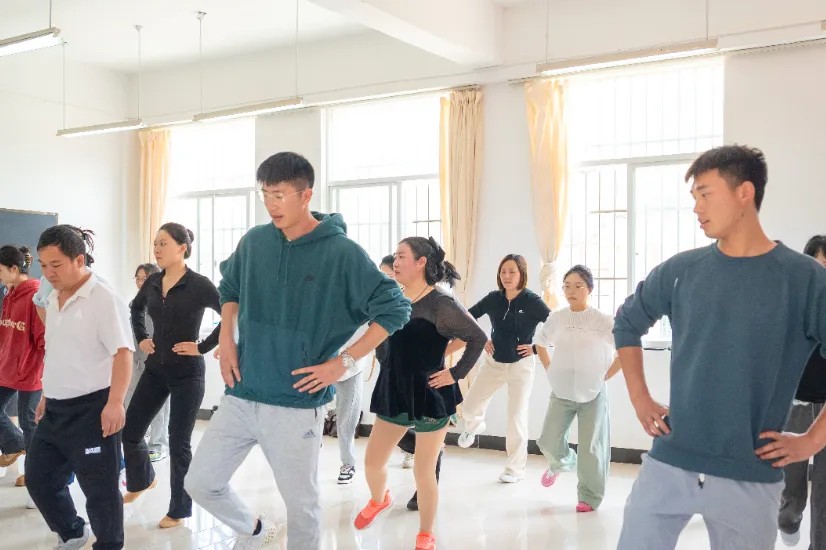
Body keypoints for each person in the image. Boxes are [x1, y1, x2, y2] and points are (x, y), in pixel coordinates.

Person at [183, 152, 411, 550]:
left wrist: (344, 362)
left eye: (280, 195)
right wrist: (227, 339)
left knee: (301, 507)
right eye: (265, 195)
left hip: (296, 403)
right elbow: (230, 288)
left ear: (306, 195)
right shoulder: (255, 242)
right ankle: (255, 530)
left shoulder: (341, 253)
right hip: (242, 392)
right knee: (200, 482)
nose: (271, 205)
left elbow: (396, 309)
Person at [614, 145, 826, 550]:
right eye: (694, 197)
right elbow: (627, 323)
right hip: (670, 461)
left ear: (744, 193)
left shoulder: (803, 280)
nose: (696, 207)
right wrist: (640, 398)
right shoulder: (681, 270)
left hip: (750, 473)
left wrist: (812, 440)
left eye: (705, 194)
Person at [354, 236, 486, 550]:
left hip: (430, 394)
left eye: (401, 256)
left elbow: (477, 337)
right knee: (372, 462)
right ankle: (380, 499)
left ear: (421, 262)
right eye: (395, 256)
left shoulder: (441, 303)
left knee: (423, 471)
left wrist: (454, 373)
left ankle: (426, 533)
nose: (395, 262)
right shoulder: (392, 299)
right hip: (394, 390)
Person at [26, 226, 133, 550]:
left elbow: (123, 353)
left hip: (92, 409)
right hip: (55, 409)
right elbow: (58, 351)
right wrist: (47, 394)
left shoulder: (104, 299)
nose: (48, 273)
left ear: (79, 260)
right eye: (44, 265)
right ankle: (72, 531)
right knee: (39, 479)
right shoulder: (53, 297)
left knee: (99, 491)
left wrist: (116, 402)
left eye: (56, 265)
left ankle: (109, 544)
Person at [122, 224, 220, 530]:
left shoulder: (199, 284)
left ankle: (178, 509)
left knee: (179, 444)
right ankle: (142, 479)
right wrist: (142, 337)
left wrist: (202, 347)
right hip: (155, 370)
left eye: (163, 243)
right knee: (130, 431)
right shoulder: (153, 281)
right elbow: (136, 309)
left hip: (187, 374)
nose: (157, 249)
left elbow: (232, 313)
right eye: (155, 243)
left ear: (182, 248)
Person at [533, 264, 621, 512]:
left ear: (589, 289)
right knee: (548, 440)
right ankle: (562, 462)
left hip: (593, 393)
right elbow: (540, 342)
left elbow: (625, 349)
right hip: (561, 391)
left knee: (591, 447)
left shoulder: (602, 320)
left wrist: (606, 376)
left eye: (578, 286)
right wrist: (550, 368)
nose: (571, 291)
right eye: (567, 286)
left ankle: (589, 497)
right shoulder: (557, 318)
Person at [456, 254, 550, 483]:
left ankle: (515, 470)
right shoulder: (494, 298)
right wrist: (481, 338)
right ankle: (475, 425)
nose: (506, 276)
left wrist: (535, 348)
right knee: (468, 407)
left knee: (516, 418)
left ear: (522, 274)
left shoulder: (532, 301)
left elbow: (556, 326)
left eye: (512, 272)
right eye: (503, 271)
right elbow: (466, 316)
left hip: (521, 367)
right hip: (494, 363)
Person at [777, 235, 826, 548]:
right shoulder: (794, 305)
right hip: (797, 406)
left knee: (824, 493)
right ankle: (788, 518)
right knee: (793, 492)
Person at [0, 245, 46, 491]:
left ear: (14, 268)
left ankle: (35, 473)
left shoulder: (35, 295)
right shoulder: (10, 293)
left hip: (30, 369)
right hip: (7, 366)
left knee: (29, 421)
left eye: (0, 270)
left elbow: (42, 339)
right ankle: (15, 444)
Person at [124, 263, 169, 463]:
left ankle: (158, 445)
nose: (141, 282)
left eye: (145, 278)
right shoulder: (134, 304)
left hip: (157, 363)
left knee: (159, 406)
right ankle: (135, 442)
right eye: (138, 278)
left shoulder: (164, 304)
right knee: (130, 400)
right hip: (134, 361)